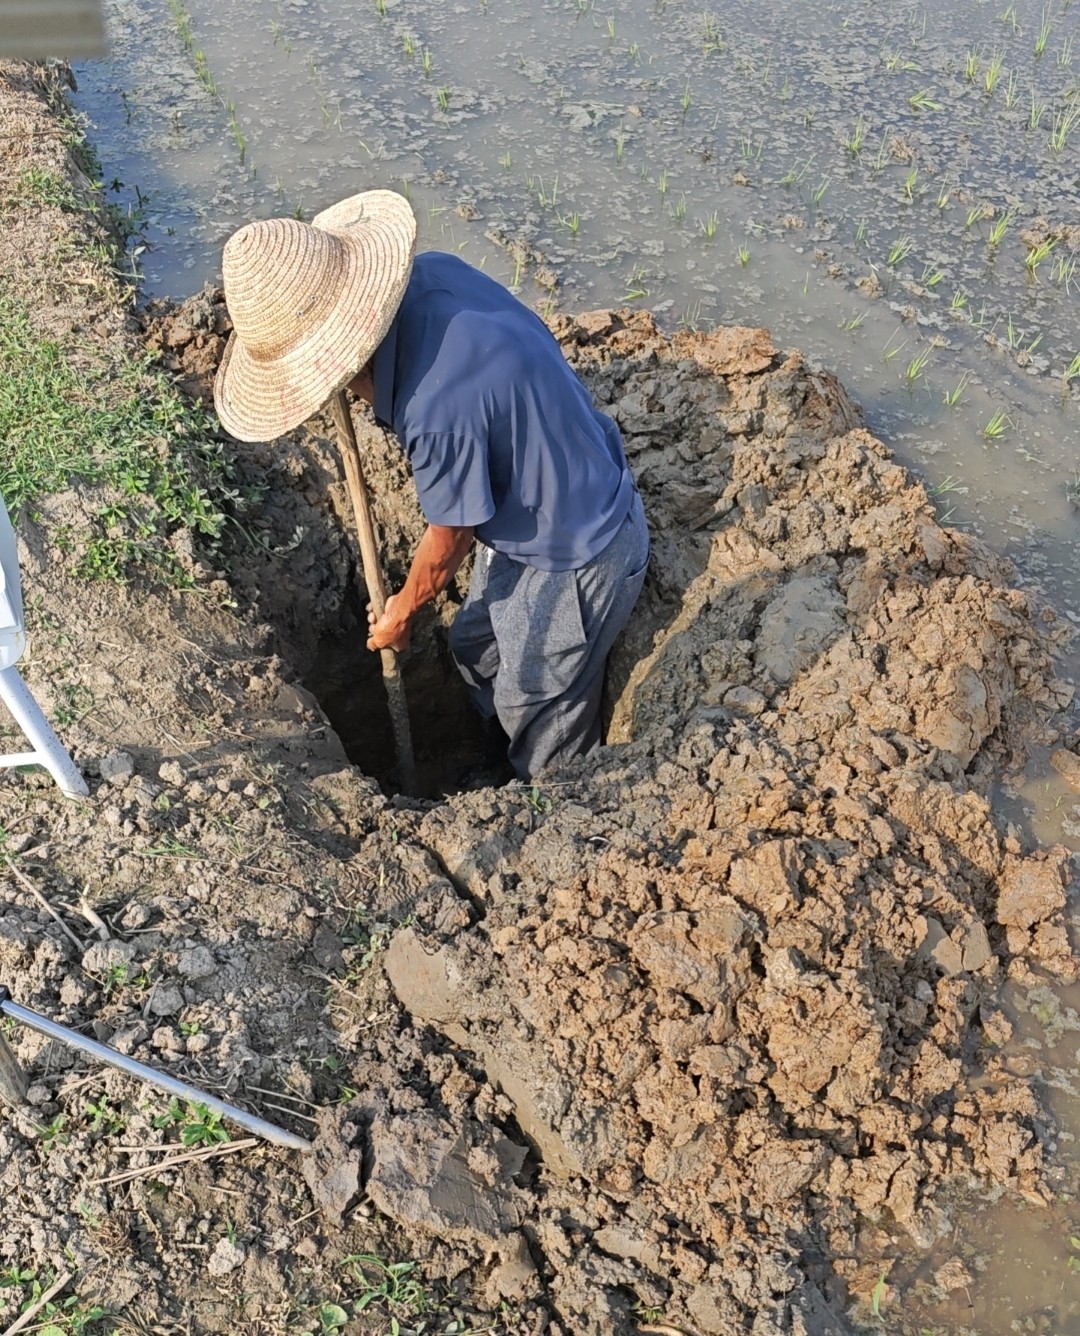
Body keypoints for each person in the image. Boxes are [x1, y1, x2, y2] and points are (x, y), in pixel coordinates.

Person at [214, 189, 648, 780]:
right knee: (475, 647)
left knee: (535, 701)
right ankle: (495, 756)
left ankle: (541, 793)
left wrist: (402, 613)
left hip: (581, 541)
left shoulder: (437, 406)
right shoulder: (432, 275)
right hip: (531, 497)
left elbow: (450, 538)